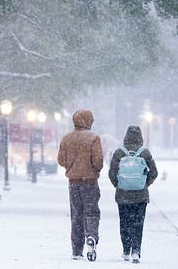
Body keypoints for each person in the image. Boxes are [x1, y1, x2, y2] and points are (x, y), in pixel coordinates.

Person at [57, 109, 104, 261]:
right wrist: (93, 169)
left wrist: (72, 167)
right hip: (90, 182)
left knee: (76, 215)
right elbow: (98, 162)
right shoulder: (93, 138)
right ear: (87, 120)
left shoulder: (66, 139)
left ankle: (77, 249)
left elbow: (61, 160)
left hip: (73, 183)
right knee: (91, 212)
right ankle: (91, 236)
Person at [108, 126, 158, 264]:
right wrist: (144, 184)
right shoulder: (145, 153)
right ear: (140, 137)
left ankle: (126, 250)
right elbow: (154, 172)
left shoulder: (119, 153)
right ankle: (136, 251)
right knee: (138, 223)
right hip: (140, 196)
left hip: (123, 196)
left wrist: (120, 186)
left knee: (124, 223)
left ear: (126, 137)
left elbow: (111, 173)